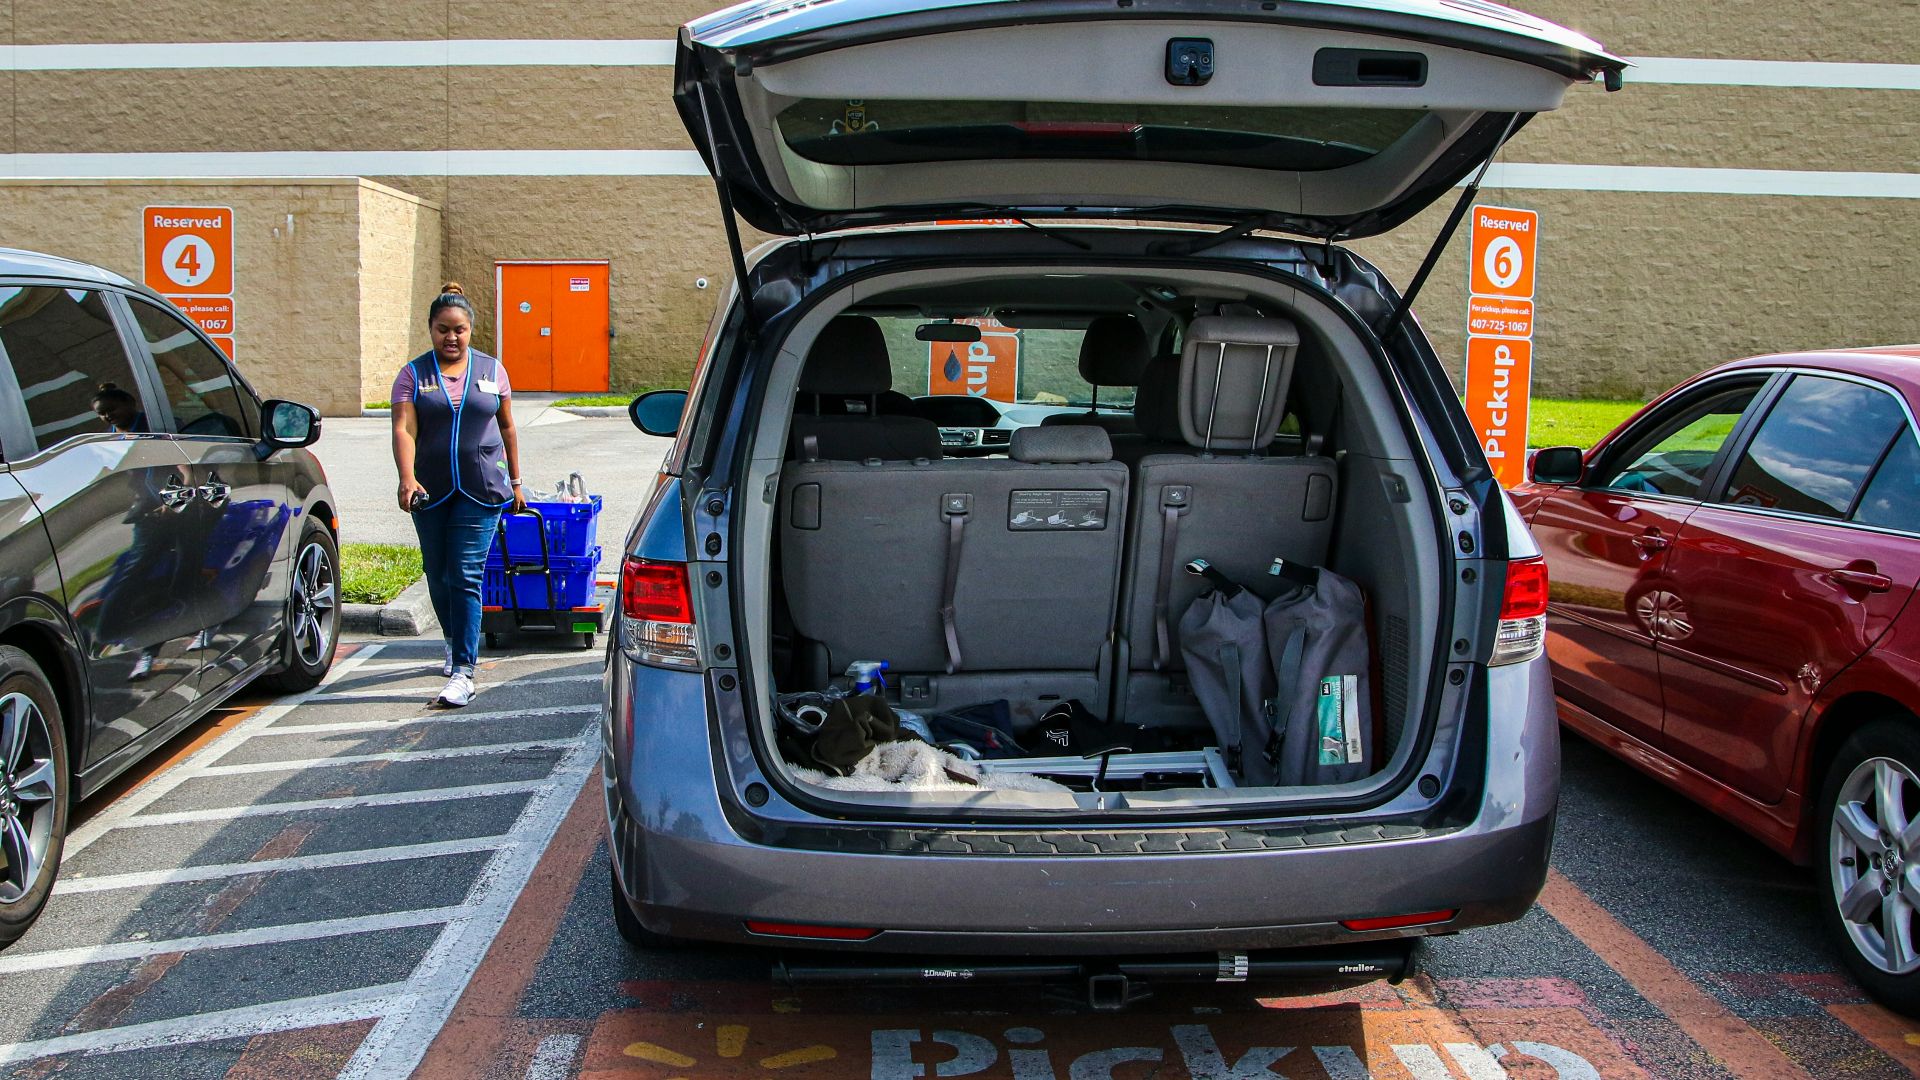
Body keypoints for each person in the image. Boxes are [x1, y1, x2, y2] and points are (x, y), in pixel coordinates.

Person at [391, 283, 526, 707]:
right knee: (438, 571)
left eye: (460, 330)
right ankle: (452, 640)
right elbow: (404, 428)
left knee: (466, 573)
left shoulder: (492, 371)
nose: (451, 337)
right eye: (442, 330)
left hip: (481, 487)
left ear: (471, 330)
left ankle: (465, 672)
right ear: (430, 330)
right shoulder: (414, 374)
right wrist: (406, 477)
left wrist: (517, 482)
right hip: (430, 489)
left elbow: (506, 427)